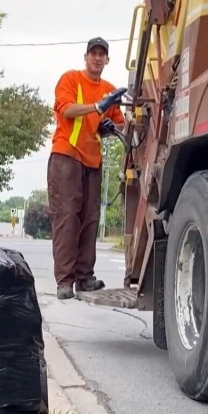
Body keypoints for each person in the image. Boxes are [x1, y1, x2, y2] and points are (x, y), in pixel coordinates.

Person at [48, 37, 127, 300]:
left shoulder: (109, 89)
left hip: (93, 161)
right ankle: (64, 281)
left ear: (107, 60)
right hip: (66, 157)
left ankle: (84, 277)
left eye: (102, 54)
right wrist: (97, 107)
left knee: (90, 220)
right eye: (93, 53)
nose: (97, 58)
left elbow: (121, 123)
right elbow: (66, 110)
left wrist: (110, 127)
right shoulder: (71, 80)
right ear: (86, 57)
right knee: (67, 217)